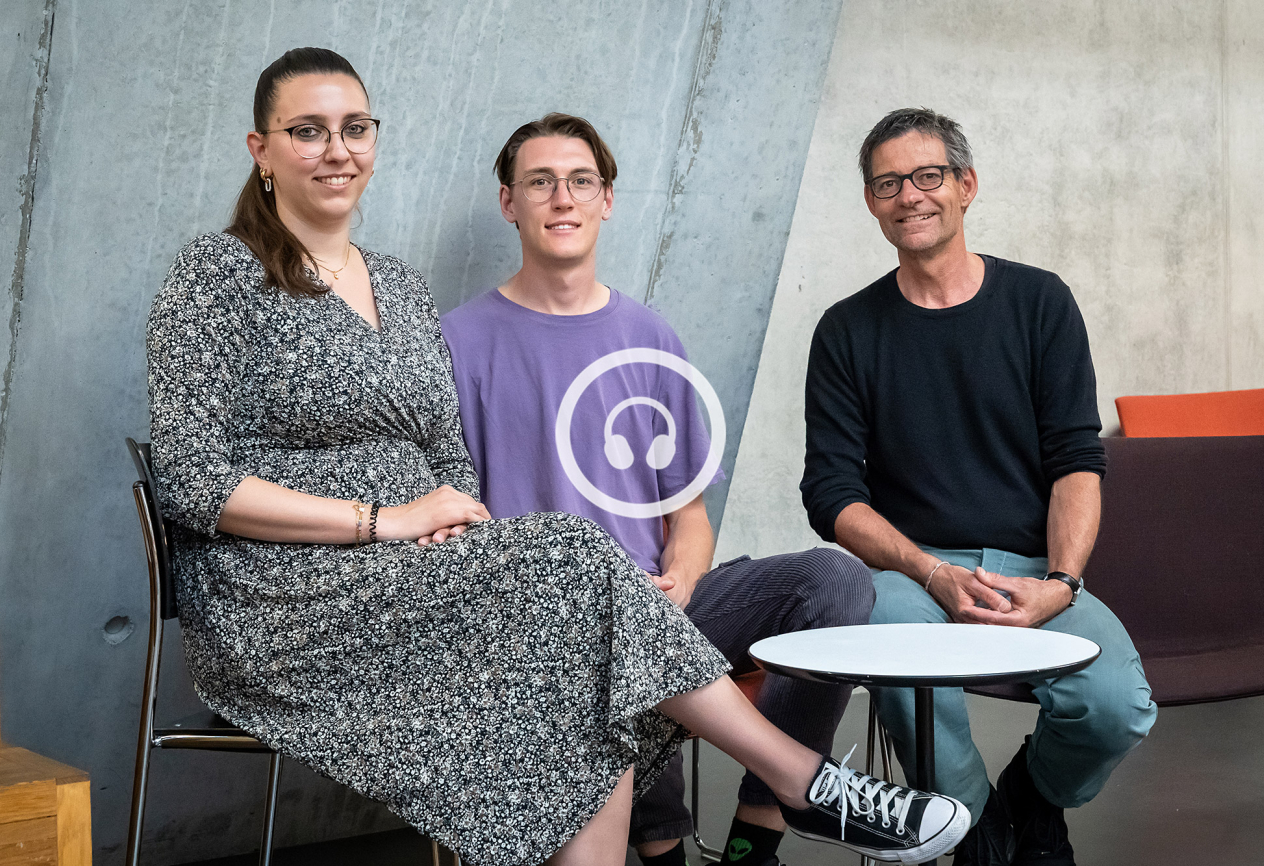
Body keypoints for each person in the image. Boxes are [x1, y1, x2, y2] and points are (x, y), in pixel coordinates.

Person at [146, 50, 969, 866]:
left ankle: (755, 813)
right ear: (261, 150)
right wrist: (384, 521)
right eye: (307, 130)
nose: (336, 149)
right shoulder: (216, 275)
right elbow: (190, 479)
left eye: (354, 128)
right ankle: (802, 781)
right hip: (293, 598)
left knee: (601, 600)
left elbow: (451, 469)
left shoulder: (396, 285)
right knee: (572, 568)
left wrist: (449, 533)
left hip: (431, 569)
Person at [441, 113, 925, 866]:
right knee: (608, 663)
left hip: (665, 603)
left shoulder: (650, 336)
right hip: (538, 625)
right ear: (510, 203)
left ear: (608, 200)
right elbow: (448, 523)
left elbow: (688, 517)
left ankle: (755, 836)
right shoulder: (457, 342)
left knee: (834, 578)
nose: (561, 198)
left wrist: (680, 581)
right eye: (540, 182)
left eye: (581, 182)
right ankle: (663, 845)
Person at [800, 107, 1158, 866]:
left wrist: (1061, 583)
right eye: (889, 182)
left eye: (928, 176)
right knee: (895, 660)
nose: (910, 195)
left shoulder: (1039, 302)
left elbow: (1075, 460)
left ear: (965, 186)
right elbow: (831, 493)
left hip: (1032, 567)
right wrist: (927, 568)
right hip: (912, 569)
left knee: (1114, 709)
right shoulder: (846, 330)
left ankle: (1032, 798)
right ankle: (973, 833)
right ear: (871, 201)